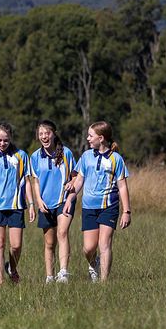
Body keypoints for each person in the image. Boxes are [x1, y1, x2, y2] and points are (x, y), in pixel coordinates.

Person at [64, 121, 131, 282]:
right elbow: (79, 180)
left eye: (90, 136)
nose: (87, 138)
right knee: (88, 249)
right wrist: (70, 199)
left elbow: (122, 186)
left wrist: (126, 211)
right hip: (89, 207)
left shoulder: (116, 159)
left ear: (101, 138)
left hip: (109, 206)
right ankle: (93, 264)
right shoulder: (86, 156)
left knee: (104, 244)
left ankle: (104, 283)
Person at [0, 122, 33, 287]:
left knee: (16, 245)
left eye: (6, 140)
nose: (2, 143)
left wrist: (31, 204)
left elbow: (26, 182)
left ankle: (12, 268)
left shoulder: (21, 156)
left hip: (16, 205)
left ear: (11, 139)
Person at [28, 120, 77, 283]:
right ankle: (49, 276)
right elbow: (35, 181)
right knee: (49, 243)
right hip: (45, 203)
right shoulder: (35, 156)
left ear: (54, 134)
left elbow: (76, 175)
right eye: (41, 134)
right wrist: (38, 200)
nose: (44, 136)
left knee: (62, 233)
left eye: (47, 133)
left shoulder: (66, 153)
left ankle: (63, 273)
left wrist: (72, 183)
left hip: (64, 200)